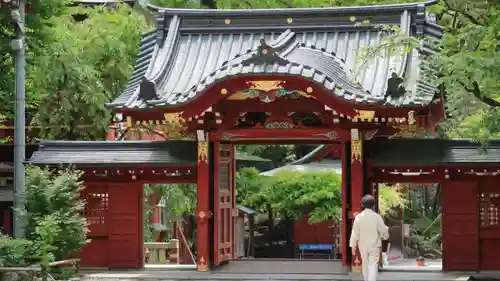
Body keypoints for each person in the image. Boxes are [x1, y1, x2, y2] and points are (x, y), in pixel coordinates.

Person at [349, 194, 389, 281]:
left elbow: (355, 232)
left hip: (362, 244)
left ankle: (366, 279)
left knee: (365, 264)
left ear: (362, 205)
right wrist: (385, 237)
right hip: (374, 244)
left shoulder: (358, 217)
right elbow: (383, 230)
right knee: (373, 264)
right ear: (373, 205)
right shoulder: (377, 217)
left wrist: (353, 245)